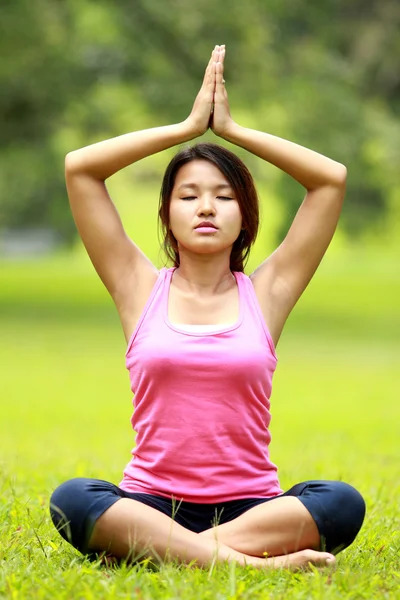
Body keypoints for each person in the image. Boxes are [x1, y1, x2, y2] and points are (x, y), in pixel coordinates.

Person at [50, 45, 365, 571]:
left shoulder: (268, 293)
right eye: (188, 195)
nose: (205, 207)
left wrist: (232, 131)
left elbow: (329, 179)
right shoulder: (136, 287)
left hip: (252, 505)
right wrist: (187, 128)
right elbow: (80, 169)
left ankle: (167, 552)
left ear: (244, 215)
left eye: (223, 196)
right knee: (72, 499)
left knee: (341, 501)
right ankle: (247, 564)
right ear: (167, 212)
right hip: (151, 501)